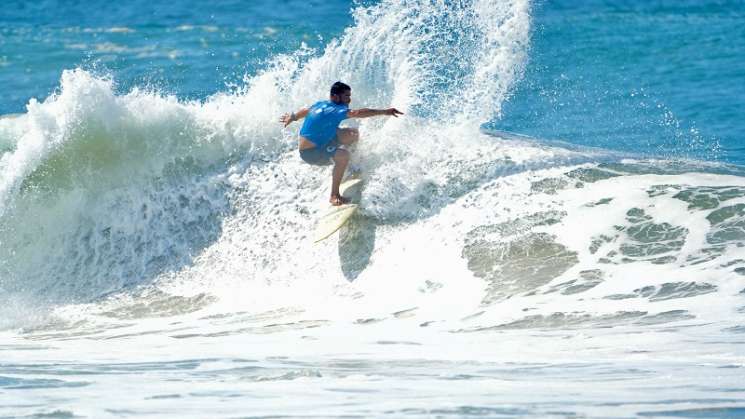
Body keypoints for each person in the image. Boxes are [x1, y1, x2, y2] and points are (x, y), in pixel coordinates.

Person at [280, 81, 403, 206]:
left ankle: (350, 167)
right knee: (343, 155)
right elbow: (357, 113)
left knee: (353, 134)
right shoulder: (335, 110)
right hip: (312, 153)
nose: (349, 100)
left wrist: (293, 117)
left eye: (349, 96)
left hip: (322, 141)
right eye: (346, 96)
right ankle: (334, 195)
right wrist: (384, 112)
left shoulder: (322, 104)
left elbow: (307, 110)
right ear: (335, 96)